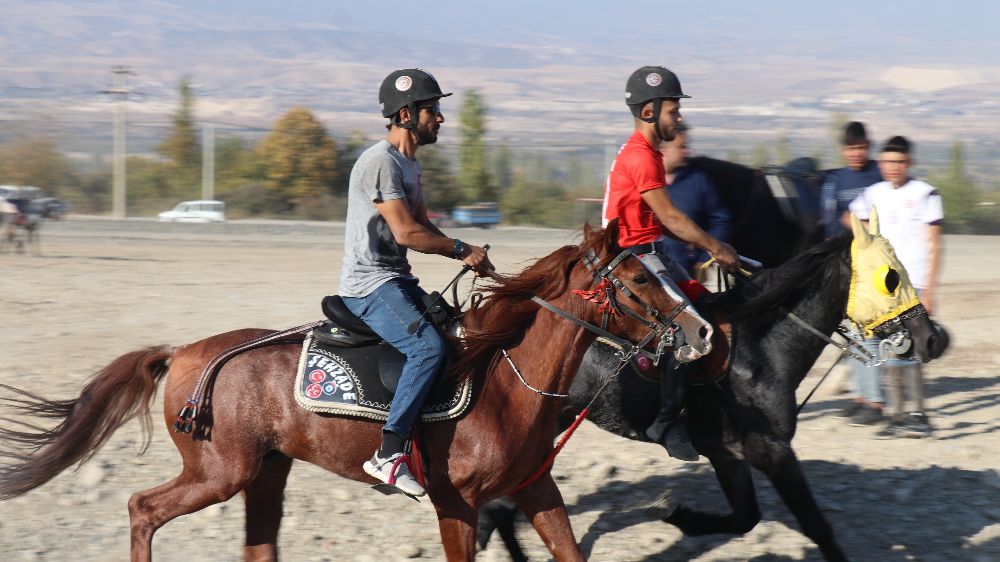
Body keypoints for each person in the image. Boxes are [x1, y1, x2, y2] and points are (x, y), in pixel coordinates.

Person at [340, 68, 493, 496]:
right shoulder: (380, 163)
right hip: (369, 285)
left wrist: (469, 255)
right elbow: (408, 234)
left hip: (398, 279)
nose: (440, 118)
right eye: (434, 110)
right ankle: (387, 454)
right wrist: (461, 249)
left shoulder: (409, 164)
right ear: (407, 114)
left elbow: (423, 224)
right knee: (426, 346)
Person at [602, 65, 739, 461]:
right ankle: (665, 420)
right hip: (631, 260)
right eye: (673, 111)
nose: (678, 118)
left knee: (709, 308)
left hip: (652, 251)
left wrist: (716, 248)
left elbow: (663, 223)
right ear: (649, 112)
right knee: (689, 326)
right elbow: (673, 217)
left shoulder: (649, 154)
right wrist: (715, 244)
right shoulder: (641, 157)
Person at [849, 135, 943, 437]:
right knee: (883, 348)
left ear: (909, 163)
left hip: (910, 285)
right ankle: (898, 416)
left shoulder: (925, 193)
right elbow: (853, 222)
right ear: (881, 163)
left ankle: (918, 416)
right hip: (879, 288)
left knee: (907, 349)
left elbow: (935, 244)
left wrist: (929, 290)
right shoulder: (873, 192)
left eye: (899, 162)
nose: (893, 167)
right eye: (888, 161)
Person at [819, 122, 887, 424]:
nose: (856, 153)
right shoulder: (835, 180)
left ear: (868, 147)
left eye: (861, 147)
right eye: (851, 148)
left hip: (874, 266)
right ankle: (862, 394)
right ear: (843, 150)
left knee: (870, 331)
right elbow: (829, 222)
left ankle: (876, 400)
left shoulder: (881, 175)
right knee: (853, 332)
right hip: (845, 264)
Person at [659, 123, 731, 287]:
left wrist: (705, 259)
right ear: (664, 149)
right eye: (681, 147)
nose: (687, 152)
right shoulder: (647, 183)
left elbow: (721, 220)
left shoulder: (699, 180)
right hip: (652, 275)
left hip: (690, 277)